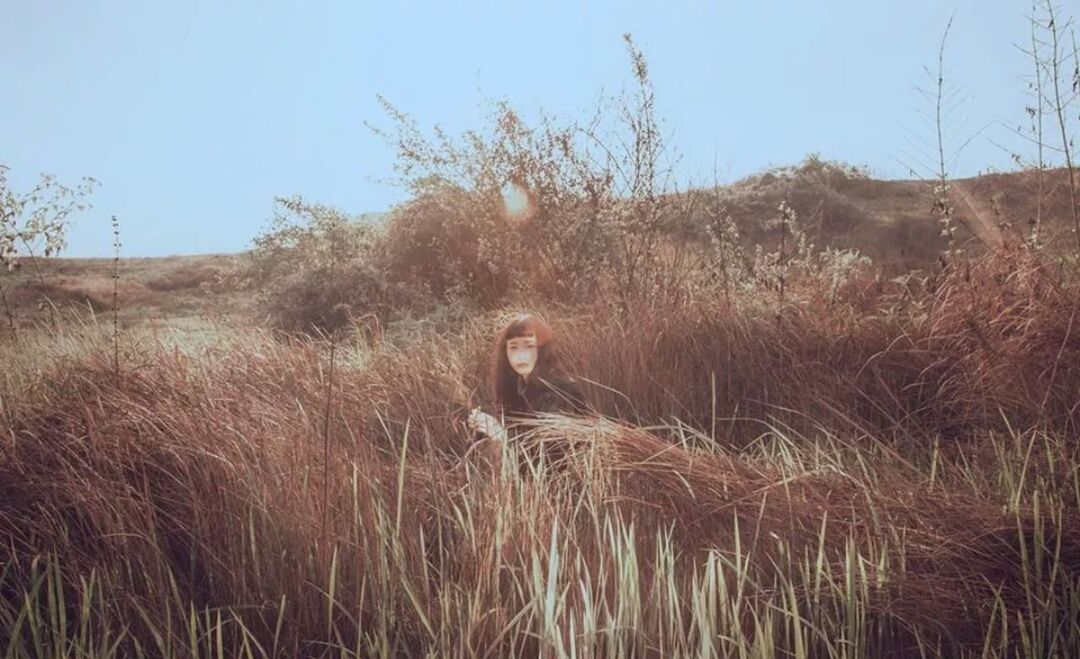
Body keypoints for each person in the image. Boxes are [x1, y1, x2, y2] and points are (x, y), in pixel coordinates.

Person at [467, 313, 588, 452]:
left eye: (529, 346)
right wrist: (483, 426)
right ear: (505, 352)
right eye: (513, 347)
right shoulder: (515, 386)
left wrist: (500, 434)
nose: (521, 355)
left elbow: (554, 452)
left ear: (541, 350)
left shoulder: (561, 389)